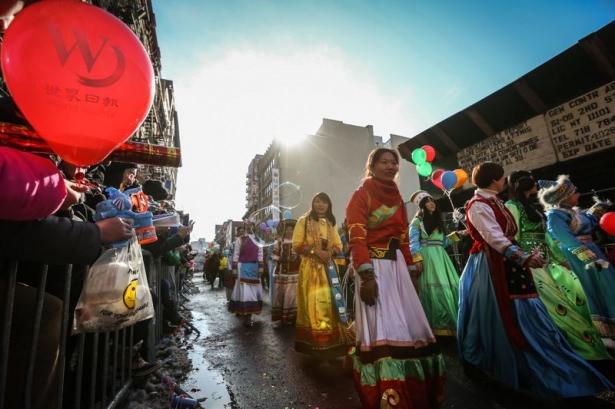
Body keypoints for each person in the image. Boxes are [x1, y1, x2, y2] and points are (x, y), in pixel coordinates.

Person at [457, 162, 611, 398]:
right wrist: (524, 257)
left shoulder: (497, 202)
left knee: (530, 309)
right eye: (501, 177)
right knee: (497, 312)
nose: (504, 181)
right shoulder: (478, 205)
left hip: (514, 261)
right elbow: (494, 237)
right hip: (492, 265)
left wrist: (535, 257)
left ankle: (549, 354)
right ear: (494, 180)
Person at [346, 148, 445, 409]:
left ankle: (411, 389)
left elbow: (402, 239)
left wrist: (410, 269)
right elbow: (356, 238)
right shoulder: (361, 195)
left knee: (406, 325)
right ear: (372, 166)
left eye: (394, 163)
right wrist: (366, 275)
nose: (391, 167)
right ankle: (387, 393)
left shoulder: (398, 198)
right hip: (373, 268)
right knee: (383, 326)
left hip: (397, 267)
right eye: (384, 162)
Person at [505, 171, 610, 361]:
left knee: (577, 294)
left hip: (546, 262)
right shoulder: (512, 206)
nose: (537, 184)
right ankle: (577, 348)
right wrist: (525, 259)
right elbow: (513, 237)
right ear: (525, 183)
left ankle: (596, 339)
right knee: (557, 304)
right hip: (530, 265)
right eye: (533, 181)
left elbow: (546, 237)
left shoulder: (531, 206)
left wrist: (561, 259)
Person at [539, 175, 615, 347]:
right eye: (574, 192)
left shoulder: (574, 212)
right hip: (580, 257)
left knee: (607, 282)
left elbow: (589, 220)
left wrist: (597, 210)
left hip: (592, 253)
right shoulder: (555, 215)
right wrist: (581, 252)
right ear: (564, 197)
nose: (578, 195)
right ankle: (604, 330)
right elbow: (560, 234)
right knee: (595, 285)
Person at [292, 192, 347, 360]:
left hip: (329, 269)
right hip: (310, 269)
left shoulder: (330, 223)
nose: (321, 205)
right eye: (317, 201)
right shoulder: (303, 221)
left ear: (328, 205)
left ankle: (331, 342)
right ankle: (315, 344)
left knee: (331, 303)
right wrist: (315, 251)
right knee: (313, 304)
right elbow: (296, 245)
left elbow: (338, 245)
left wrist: (329, 253)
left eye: (324, 202)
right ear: (313, 203)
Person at [409, 190, 461, 337]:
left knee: (448, 288)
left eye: (432, 201)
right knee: (435, 290)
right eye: (427, 202)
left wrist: (458, 234)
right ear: (422, 205)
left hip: (441, 257)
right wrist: (417, 260)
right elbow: (413, 243)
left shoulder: (438, 221)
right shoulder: (417, 222)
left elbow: (443, 242)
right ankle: (437, 328)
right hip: (428, 258)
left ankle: (451, 325)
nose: (431, 203)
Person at [231, 222, 264, 326]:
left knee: (253, 292)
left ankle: (249, 314)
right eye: (247, 226)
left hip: (254, 268)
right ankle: (246, 316)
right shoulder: (240, 240)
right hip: (243, 268)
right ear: (245, 228)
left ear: (254, 227)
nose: (249, 228)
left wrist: (261, 267)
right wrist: (234, 268)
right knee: (245, 292)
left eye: (251, 226)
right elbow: (236, 254)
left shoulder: (258, 240)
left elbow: (260, 254)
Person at [271, 219, 300, 325]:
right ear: (284, 231)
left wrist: (296, 257)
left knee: (293, 295)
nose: (289, 231)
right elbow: (275, 256)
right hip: (282, 273)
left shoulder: (297, 242)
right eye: (287, 230)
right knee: (282, 294)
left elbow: (302, 256)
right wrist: (282, 258)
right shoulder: (279, 242)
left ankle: (292, 317)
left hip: (295, 272)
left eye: (291, 230)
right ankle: (282, 317)